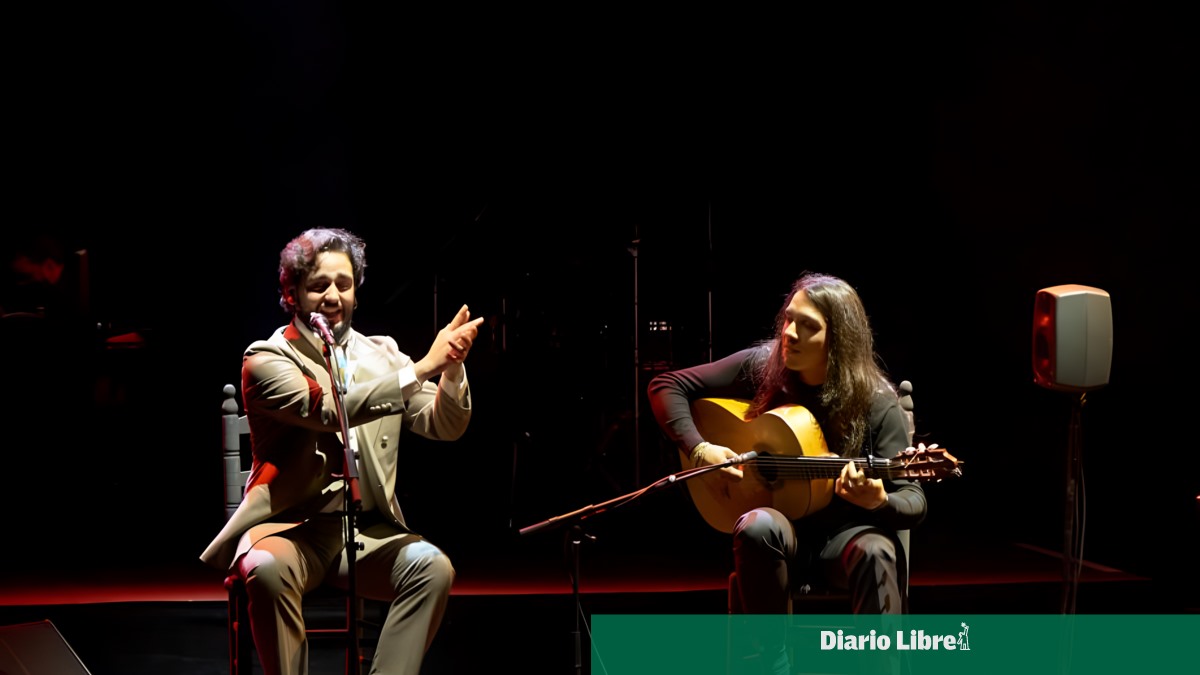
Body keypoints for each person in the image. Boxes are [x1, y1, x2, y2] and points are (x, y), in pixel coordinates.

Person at [201, 227, 484, 675]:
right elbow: (331, 411)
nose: (333, 296)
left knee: (432, 569)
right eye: (318, 285)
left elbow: (444, 425)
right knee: (267, 571)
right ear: (291, 294)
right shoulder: (266, 358)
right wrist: (426, 364)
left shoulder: (382, 355)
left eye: (344, 284)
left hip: (365, 532)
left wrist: (450, 369)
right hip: (288, 530)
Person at [647, 271, 930, 674]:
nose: (789, 334)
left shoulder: (877, 402)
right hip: (781, 543)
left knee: (877, 550)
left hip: (843, 543)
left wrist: (879, 499)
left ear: (839, 340)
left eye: (808, 326)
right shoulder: (766, 366)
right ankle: (772, 666)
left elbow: (914, 501)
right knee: (756, 525)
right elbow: (667, 385)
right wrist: (700, 448)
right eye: (788, 319)